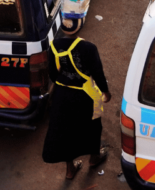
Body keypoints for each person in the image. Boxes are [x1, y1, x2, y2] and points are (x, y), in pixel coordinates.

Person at [42, 37, 111, 180]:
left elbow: (52, 73)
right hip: (85, 94)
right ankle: (94, 158)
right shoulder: (89, 47)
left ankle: (70, 169)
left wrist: (64, 82)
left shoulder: (55, 45)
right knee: (93, 126)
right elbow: (97, 72)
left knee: (65, 130)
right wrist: (105, 91)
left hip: (62, 95)